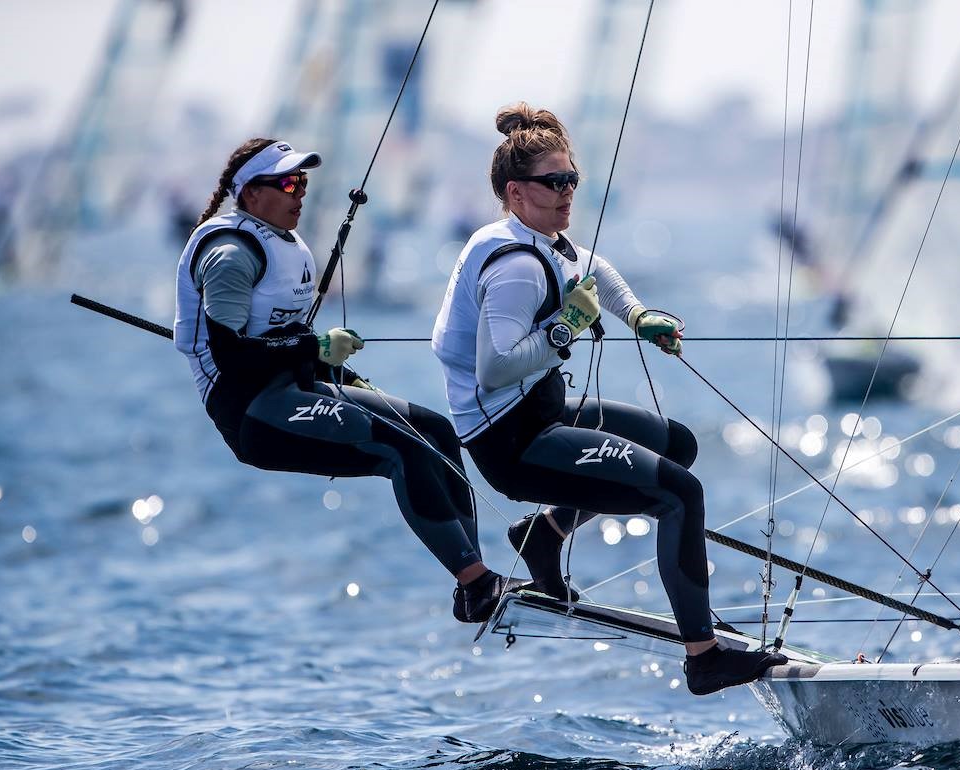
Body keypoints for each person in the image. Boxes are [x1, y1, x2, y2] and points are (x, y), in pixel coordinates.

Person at [431, 104, 787, 694]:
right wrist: (566, 326)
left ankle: (544, 534)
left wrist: (638, 315)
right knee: (679, 494)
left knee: (676, 443)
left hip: (537, 414)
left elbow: (594, 268)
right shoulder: (515, 264)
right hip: (511, 441)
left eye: (572, 178)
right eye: (554, 183)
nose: (567, 192)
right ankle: (704, 657)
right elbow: (493, 370)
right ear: (517, 193)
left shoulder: (539, 238)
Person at [173, 138, 522, 624]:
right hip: (250, 410)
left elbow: (278, 336)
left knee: (436, 432)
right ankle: (478, 582)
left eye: (305, 184)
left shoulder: (280, 243)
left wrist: (327, 364)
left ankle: (476, 582)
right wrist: (315, 348)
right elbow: (233, 357)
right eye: (289, 183)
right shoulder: (230, 255)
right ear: (251, 194)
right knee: (405, 450)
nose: (300, 194)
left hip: (294, 388)